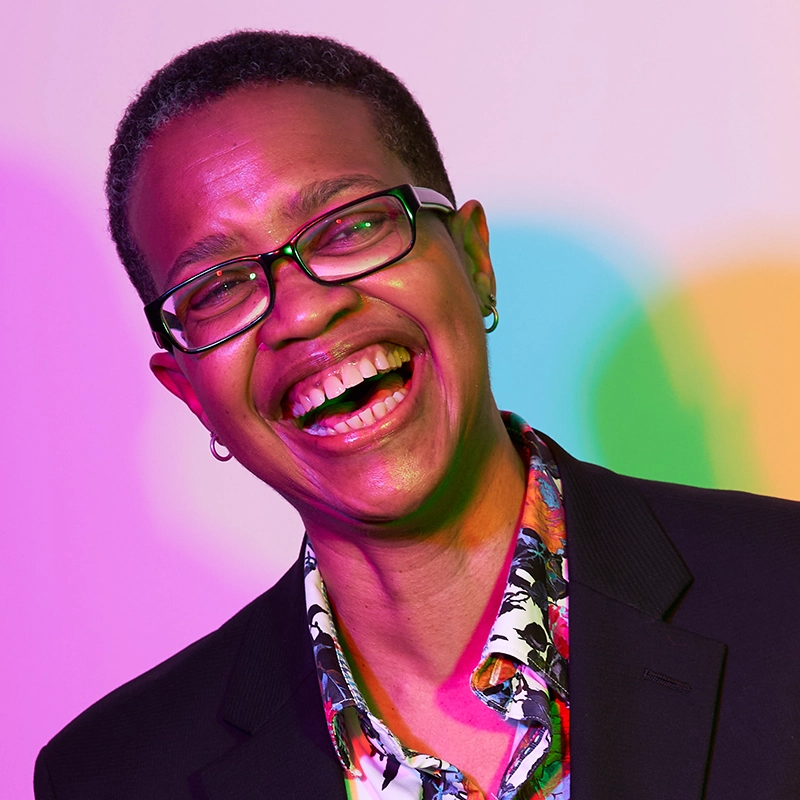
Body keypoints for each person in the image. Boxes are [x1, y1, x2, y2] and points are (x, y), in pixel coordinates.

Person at [34, 31, 800, 800]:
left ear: (474, 259)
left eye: (348, 227)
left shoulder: (784, 591)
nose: (300, 312)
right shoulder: (115, 775)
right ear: (189, 392)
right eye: (218, 287)